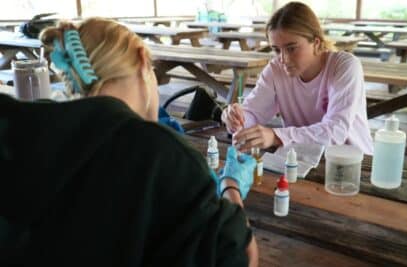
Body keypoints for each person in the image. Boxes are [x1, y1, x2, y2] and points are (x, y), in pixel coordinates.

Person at [0, 17, 258, 266]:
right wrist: (230, 185)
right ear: (144, 62)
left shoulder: (22, 131)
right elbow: (240, 256)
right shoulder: (161, 153)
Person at [222, 2, 373, 155]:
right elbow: (253, 113)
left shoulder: (344, 66)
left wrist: (276, 136)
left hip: (353, 162)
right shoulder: (275, 70)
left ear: (316, 43)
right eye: (276, 50)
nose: (283, 59)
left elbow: (336, 131)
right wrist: (237, 119)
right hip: (301, 158)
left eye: (291, 48)